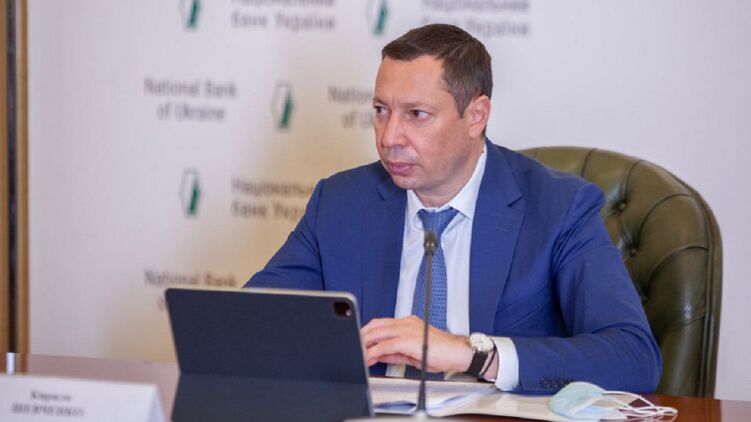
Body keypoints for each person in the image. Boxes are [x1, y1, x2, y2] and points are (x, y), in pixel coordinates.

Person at [246, 23, 661, 393]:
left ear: (476, 116)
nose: (390, 137)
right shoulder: (340, 202)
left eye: (417, 114)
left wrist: (471, 354)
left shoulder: (559, 208)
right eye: (381, 111)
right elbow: (249, 324)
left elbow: (633, 358)